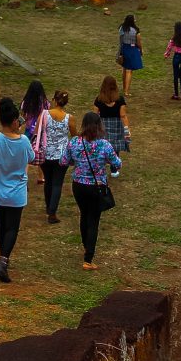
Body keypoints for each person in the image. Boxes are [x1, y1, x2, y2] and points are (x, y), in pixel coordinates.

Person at [0, 98, 34, 283]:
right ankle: (3, 260)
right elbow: (31, 158)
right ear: (14, 122)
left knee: (1, 224)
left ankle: (2, 257)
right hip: (17, 191)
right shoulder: (24, 141)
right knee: (12, 227)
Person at [62, 112, 122, 271]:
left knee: (84, 214)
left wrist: (78, 162)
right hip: (96, 186)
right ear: (98, 126)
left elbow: (64, 161)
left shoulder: (74, 142)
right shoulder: (104, 145)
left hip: (78, 185)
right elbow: (118, 163)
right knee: (94, 219)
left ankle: (86, 246)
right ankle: (88, 259)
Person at [39, 90, 77, 224]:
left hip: (45, 152)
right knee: (57, 183)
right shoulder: (69, 118)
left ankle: (48, 206)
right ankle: (52, 212)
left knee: (48, 180)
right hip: (61, 155)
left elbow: (38, 130)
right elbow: (74, 135)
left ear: (54, 100)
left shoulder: (44, 114)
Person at [19, 80, 49, 184]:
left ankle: (24, 177)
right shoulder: (45, 103)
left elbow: (23, 116)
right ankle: (41, 177)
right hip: (41, 132)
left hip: (28, 132)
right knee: (41, 153)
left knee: (26, 155)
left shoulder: (25, 102)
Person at [95, 75, 131, 156]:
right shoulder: (120, 99)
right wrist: (126, 130)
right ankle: (115, 167)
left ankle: (101, 166)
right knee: (115, 150)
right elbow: (123, 116)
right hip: (116, 127)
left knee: (102, 149)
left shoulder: (99, 99)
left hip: (103, 127)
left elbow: (94, 116)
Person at [163, 22, 181, 100]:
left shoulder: (174, 37)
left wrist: (166, 54)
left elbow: (169, 46)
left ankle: (176, 94)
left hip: (176, 56)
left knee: (176, 76)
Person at [116, 15, 144, 98]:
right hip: (132, 49)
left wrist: (120, 51)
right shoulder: (135, 30)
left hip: (124, 48)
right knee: (129, 71)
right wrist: (141, 50)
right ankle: (126, 91)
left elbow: (120, 40)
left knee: (124, 69)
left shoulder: (122, 28)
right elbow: (138, 42)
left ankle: (124, 87)